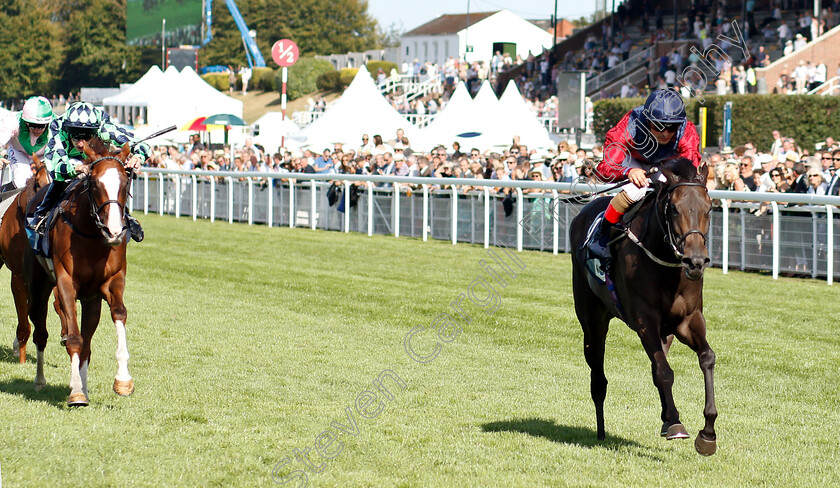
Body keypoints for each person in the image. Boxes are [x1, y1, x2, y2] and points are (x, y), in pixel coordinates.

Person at [583, 89, 701, 281]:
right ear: (648, 121)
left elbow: (689, 166)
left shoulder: (686, 130)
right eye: (659, 126)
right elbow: (606, 168)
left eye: (672, 128)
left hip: (667, 165)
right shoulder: (630, 124)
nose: (665, 133)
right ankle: (601, 236)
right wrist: (627, 172)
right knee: (634, 191)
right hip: (632, 161)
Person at [29, 102, 150, 242]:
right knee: (60, 181)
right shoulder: (58, 126)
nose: (81, 144)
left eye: (86, 138)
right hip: (67, 158)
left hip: (95, 155)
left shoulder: (104, 127)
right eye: (76, 137)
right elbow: (55, 167)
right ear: (69, 130)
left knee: (111, 178)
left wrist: (138, 157)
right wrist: (75, 169)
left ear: (95, 131)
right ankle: (42, 213)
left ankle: (126, 216)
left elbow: (141, 144)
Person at [0, 96, 54, 191]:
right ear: (25, 122)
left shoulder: (56, 124)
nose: (37, 130)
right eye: (32, 125)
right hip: (18, 151)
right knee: (21, 181)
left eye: (41, 126)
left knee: (48, 180)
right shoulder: (13, 121)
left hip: (43, 154)